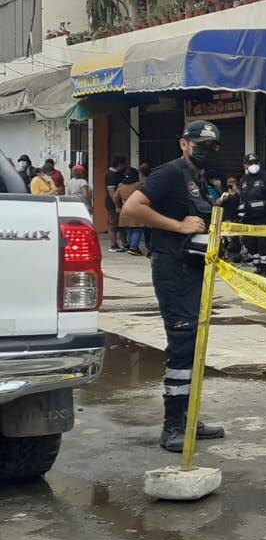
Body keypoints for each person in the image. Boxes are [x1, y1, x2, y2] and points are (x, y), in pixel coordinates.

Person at [118, 121, 228, 454]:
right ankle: (173, 427)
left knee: (195, 344)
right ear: (183, 144)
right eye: (200, 144)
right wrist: (178, 226)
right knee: (182, 345)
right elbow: (130, 209)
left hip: (194, 272)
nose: (206, 150)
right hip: (172, 270)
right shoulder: (169, 173)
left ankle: (190, 417)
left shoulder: (199, 178)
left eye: (213, 146)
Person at [236, 153, 266, 278]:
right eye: (250, 163)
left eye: (255, 162)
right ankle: (258, 266)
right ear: (245, 165)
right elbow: (242, 199)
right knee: (249, 243)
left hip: (264, 216)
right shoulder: (244, 180)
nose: (253, 165)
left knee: (264, 243)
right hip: (248, 218)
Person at [121, 165, 149, 256]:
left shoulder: (120, 185)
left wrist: (119, 205)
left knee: (129, 228)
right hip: (136, 208)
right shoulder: (137, 185)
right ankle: (133, 247)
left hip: (125, 208)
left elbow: (115, 197)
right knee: (138, 228)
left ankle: (130, 245)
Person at [104, 156, 128, 249]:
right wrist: (117, 204)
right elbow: (111, 192)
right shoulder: (111, 175)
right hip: (112, 204)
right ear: (119, 164)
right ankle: (113, 244)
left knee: (122, 224)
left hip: (118, 203)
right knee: (113, 223)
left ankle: (124, 243)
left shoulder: (118, 173)